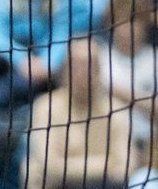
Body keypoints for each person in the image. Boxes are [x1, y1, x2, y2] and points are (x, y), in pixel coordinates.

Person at [24, 38, 143, 189]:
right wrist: (106, 163)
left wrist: (69, 164)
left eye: (90, 65)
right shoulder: (46, 107)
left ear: (99, 69)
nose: (83, 73)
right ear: (65, 69)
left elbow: (126, 167)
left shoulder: (116, 110)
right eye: (77, 66)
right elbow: (49, 166)